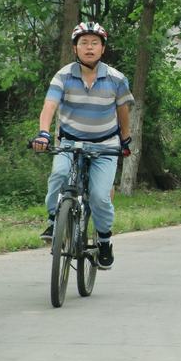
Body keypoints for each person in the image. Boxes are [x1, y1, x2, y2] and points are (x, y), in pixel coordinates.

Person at [31, 22, 134, 270]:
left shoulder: (116, 78)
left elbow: (123, 111)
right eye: (84, 43)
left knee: (99, 196)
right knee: (59, 174)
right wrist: (43, 134)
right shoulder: (63, 75)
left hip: (105, 145)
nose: (89, 47)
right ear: (75, 48)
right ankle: (54, 220)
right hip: (70, 142)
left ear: (103, 49)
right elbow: (49, 106)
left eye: (95, 43)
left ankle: (105, 241)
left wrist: (125, 139)